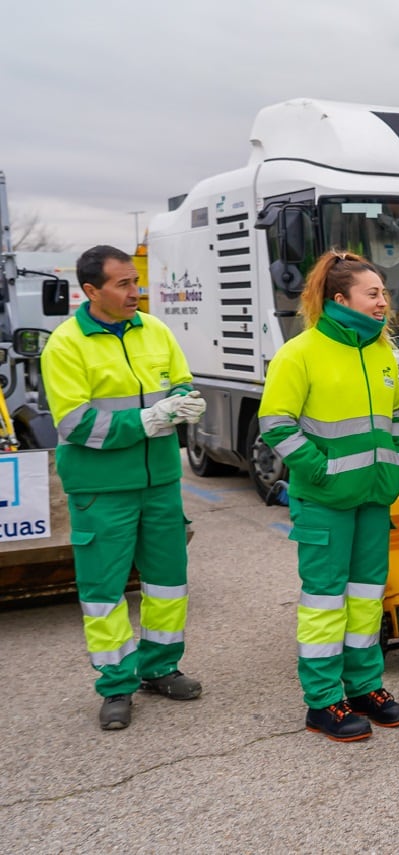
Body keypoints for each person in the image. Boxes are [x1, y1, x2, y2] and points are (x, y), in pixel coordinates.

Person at [41, 244, 208, 731]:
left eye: (136, 281)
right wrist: (150, 420)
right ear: (91, 290)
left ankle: (160, 668)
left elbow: (179, 381)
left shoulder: (154, 330)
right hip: (101, 489)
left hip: (160, 484)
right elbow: (75, 424)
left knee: (168, 583)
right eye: (124, 284)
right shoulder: (66, 344)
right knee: (104, 591)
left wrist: (183, 401)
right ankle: (116, 684)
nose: (136, 292)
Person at [259, 250, 399, 742]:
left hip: (373, 497)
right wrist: (320, 471)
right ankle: (323, 702)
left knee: (366, 599)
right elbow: (275, 424)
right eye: (373, 293)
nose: (383, 301)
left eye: (384, 293)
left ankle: (364, 686)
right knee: (325, 603)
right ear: (340, 298)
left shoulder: (382, 353)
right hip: (325, 499)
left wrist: (396, 463)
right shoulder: (300, 352)